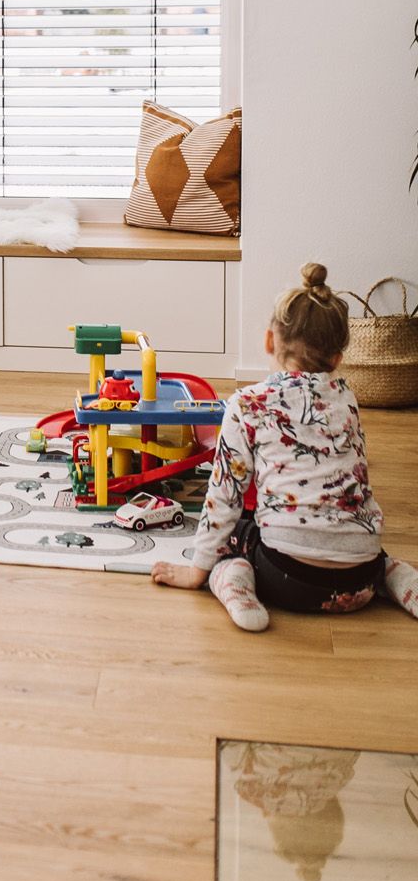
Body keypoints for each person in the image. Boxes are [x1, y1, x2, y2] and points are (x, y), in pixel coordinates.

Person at [151, 263, 418, 631]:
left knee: (234, 535)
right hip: (362, 574)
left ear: (268, 341)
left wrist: (197, 570)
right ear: (338, 358)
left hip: (286, 579)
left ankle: (234, 583)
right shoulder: (347, 399)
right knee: (355, 539)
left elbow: (224, 493)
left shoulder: (247, 402)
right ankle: (396, 578)